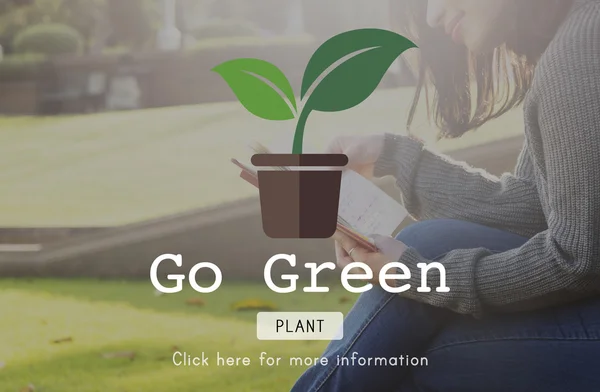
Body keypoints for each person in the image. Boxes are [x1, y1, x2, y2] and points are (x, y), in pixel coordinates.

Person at [291, 0, 600, 391]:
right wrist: (392, 156)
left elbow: (578, 259)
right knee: (428, 250)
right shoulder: (574, 38)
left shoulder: (579, 51)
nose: (433, 16)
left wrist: (417, 277)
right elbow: (536, 209)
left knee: (416, 354)